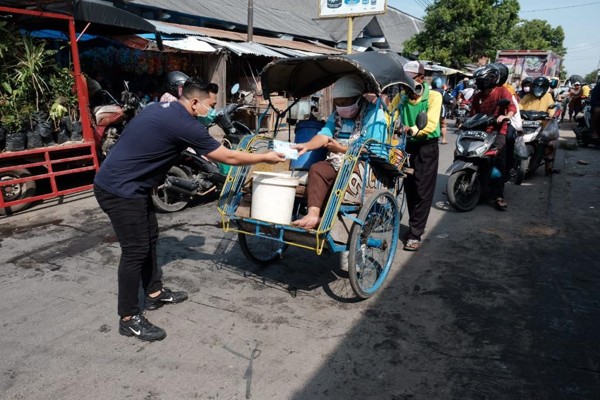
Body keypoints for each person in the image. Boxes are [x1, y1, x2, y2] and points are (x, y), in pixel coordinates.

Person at [94, 78, 285, 342]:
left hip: (131, 186)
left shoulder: (158, 108)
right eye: (210, 104)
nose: (212, 110)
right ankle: (128, 318)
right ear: (195, 102)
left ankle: (154, 293)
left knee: (149, 239)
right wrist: (265, 156)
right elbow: (227, 157)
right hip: (120, 190)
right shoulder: (184, 123)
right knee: (135, 251)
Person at [291, 74, 387, 230]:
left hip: (364, 165)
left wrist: (341, 149)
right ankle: (313, 215)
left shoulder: (375, 115)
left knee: (344, 176)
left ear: (358, 98)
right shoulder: (336, 115)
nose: (341, 106)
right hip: (338, 161)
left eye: (345, 102)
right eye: (338, 103)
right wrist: (307, 146)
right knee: (317, 169)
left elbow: (373, 149)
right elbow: (324, 135)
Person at [390, 61, 442, 251]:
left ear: (420, 78)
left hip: (426, 147)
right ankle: (414, 225)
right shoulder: (402, 96)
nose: (405, 83)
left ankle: (415, 234)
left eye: (409, 78)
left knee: (423, 191)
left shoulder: (433, 97)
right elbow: (389, 114)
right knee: (409, 188)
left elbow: (431, 123)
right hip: (406, 146)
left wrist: (410, 129)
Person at [470, 64, 517, 211]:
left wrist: (505, 116)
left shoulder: (502, 92)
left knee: (497, 161)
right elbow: (473, 113)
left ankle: (498, 195)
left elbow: (512, 108)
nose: (478, 83)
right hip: (481, 130)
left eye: (481, 80)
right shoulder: (477, 96)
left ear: (490, 80)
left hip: (498, 132)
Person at [520, 77, 559, 175]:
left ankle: (548, 168)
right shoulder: (527, 97)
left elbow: (552, 108)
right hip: (526, 124)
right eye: (536, 86)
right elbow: (520, 106)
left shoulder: (548, 96)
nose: (538, 89)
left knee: (549, 145)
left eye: (541, 87)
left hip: (542, 125)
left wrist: (551, 114)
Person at [431, 77, 449, 144]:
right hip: (441, 110)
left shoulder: (430, 91)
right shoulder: (442, 91)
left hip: (431, 110)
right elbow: (448, 100)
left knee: (433, 123)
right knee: (443, 124)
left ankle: (434, 137)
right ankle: (443, 139)